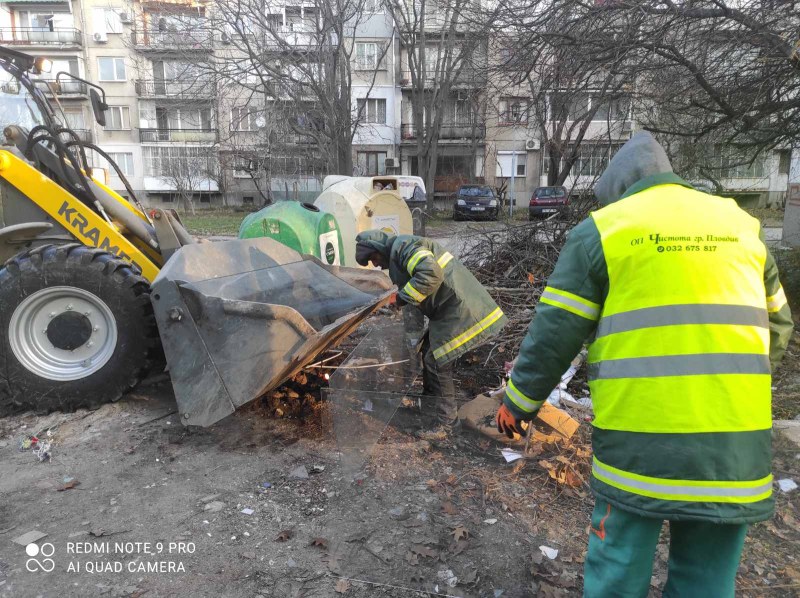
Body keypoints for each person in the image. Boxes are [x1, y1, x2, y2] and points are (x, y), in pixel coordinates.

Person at [495, 132, 793, 597]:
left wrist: (517, 403)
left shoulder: (606, 230)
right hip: (732, 446)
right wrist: (725, 383)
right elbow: (778, 326)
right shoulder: (740, 224)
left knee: (618, 570)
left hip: (640, 446)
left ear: (618, 189)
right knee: (707, 581)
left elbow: (555, 334)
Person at [356, 229, 507, 440]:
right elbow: (417, 291)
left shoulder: (404, 248)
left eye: (373, 258)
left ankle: (446, 425)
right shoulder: (401, 252)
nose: (375, 265)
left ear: (379, 249)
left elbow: (431, 274)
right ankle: (429, 411)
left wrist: (400, 299)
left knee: (437, 361)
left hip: (460, 311)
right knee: (428, 352)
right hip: (450, 310)